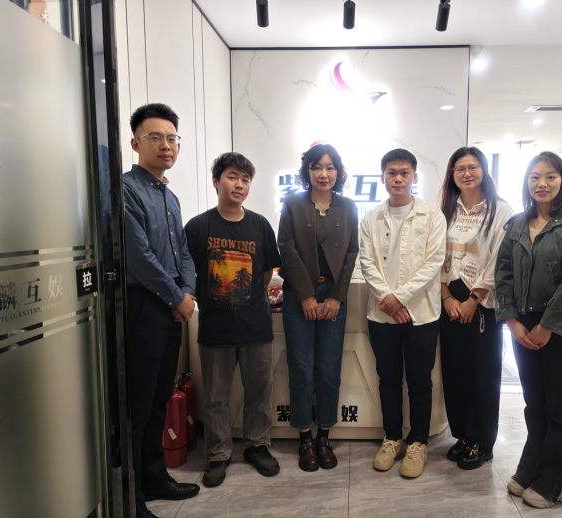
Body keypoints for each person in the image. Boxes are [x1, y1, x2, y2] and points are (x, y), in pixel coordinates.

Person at [495, 151, 562, 509]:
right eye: (535, 177)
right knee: (534, 403)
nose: (542, 183)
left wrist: (548, 326)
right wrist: (512, 321)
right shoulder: (517, 225)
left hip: (560, 326)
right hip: (522, 324)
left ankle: (557, 481)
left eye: (550, 176)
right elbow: (503, 274)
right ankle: (533, 466)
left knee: (558, 404)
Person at [184, 152, 282, 487]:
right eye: (232, 177)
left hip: (256, 327)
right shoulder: (198, 227)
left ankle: (257, 446)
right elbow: (187, 272)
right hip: (215, 328)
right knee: (215, 397)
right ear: (216, 181)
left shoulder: (260, 225)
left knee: (260, 392)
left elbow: (266, 272)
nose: (239, 184)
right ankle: (218, 454)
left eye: (245, 179)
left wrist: (248, 299)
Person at [123, 103, 199, 518]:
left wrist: (186, 293)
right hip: (144, 307)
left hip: (171, 307)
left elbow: (183, 252)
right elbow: (139, 257)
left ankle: (155, 477)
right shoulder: (125, 190)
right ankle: (132, 497)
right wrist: (177, 298)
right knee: (137, 407)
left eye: (172, 138)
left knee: (158, 400)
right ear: (136, 143)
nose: (166, 145)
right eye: (156, 137)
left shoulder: (170, 196)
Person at [359, 148, 447, 479]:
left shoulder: (432, 215)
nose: (398, 178)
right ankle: (392, 438)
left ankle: (418, 442)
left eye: (404, 173)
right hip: (382, 315)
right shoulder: (370, 218)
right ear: (382, 177)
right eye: (392, 173)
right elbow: (367, 262)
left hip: (422, 315)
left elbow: (434, 262)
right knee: (389, 380)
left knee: (420, 382)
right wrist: (389, 299)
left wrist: (401, 299)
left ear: (414, 177)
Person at [277, 143, 359, 472]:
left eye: (330, 167)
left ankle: (324, 436)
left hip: (334, 295)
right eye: (316, 167)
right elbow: (286, 248)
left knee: (328, 368)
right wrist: (306, 295)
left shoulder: (348, 207)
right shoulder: (293, 203)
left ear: (338, 172)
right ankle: (304, 437)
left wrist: (336, 296)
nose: (324, 173)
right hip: (300, 295)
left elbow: (352, 252)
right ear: (307, 171)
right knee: (300, 368)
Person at [438, 147, 513, 470]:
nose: (466, 173)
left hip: (482, 303)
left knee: (484, 373)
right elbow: (433, 256)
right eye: (459, 169)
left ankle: (482, 441)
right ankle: (463, 436)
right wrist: (446, 297)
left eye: (473, 167)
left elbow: (500, 258)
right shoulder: (445, 209)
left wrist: (473, 300)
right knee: (456, 372)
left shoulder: (500, 210)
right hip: (449, 300)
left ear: (483, 170)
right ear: (452, 174)